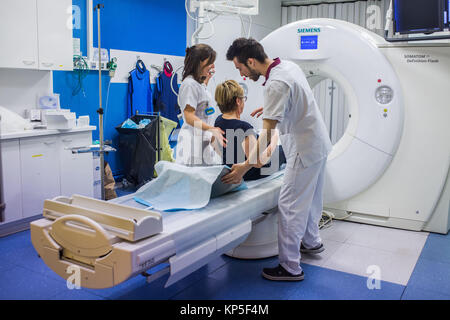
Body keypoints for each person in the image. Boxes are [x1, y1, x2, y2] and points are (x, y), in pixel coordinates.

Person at [222, 38, 332, 281]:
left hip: (304, 148)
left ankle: (290, 267)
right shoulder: (288, 67)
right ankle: (312, 242)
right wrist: (270, 108)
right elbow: (292, 98)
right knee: (313, 197)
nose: (240, 73)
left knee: (290, 206)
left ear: (251, 61)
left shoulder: (275, 84)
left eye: (240, 67)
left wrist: (244, 166)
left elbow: (268, 133)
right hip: (319, 142)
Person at [214, 79, 285, 180]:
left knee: (262, 138)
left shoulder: (219, 120)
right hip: (250, 173)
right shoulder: (244, 128)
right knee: (283, 149)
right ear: (238, 101)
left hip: (231, 167)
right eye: (244, 99)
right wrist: (274, 138)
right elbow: (258, 163)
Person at [175, 44, 226, 166]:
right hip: (193, 143)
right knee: (195, 181)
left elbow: (203, 110)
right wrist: (211, 129)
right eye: (210, 63)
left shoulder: (199, 85)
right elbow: (189, 116)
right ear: (200, 62)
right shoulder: (189, 85)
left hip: (203, 141)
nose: (213, 66)